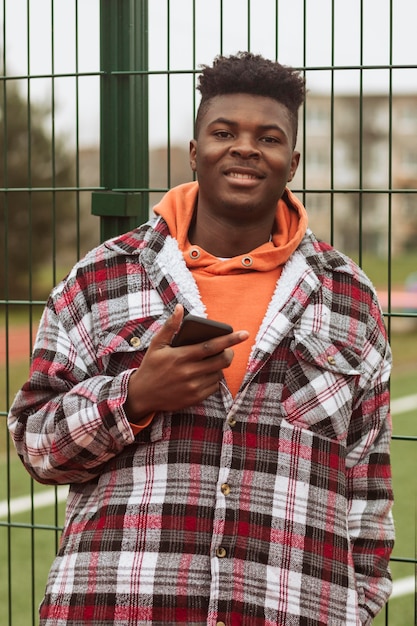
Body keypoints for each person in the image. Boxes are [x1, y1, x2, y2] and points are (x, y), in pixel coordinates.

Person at [8, 52, 394, 626]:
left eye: (267, 137)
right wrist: (134, 397)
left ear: (292, 161)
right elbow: (36, 444)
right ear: (195, 152)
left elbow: (368, 492)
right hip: (118, 607)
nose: (244, 147)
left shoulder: (350, 299)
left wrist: (351, 609)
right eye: (223, 132)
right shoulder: (102, 278)